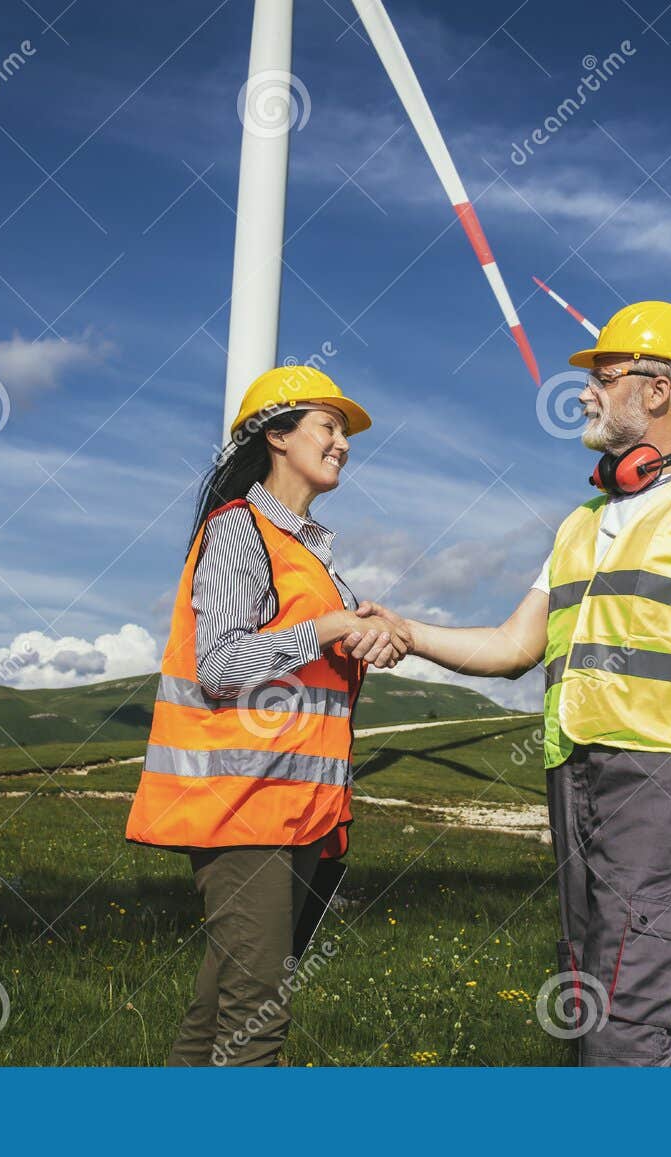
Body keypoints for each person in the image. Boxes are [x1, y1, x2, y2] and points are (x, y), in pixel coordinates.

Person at [357, 302, 671, 1066]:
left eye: (603, 377)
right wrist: (408, 631)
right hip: (572, 771)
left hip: (667, 776)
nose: (583, 392)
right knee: (590, 1003)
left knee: (624, 1015)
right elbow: (514, 645)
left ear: (657, 392)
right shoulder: (580, 522)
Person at [125, 365, 405, 1067]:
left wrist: (363, 636)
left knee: (214, 1016)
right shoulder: (239, 532)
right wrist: (329, 626)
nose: (342, 442)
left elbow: (308, 662)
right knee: (256, 1026)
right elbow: (220, 664)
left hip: (297, 813)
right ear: (277, 435)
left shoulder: (310, 553)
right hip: (243, 810)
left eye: (344, 432)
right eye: (328, 426)